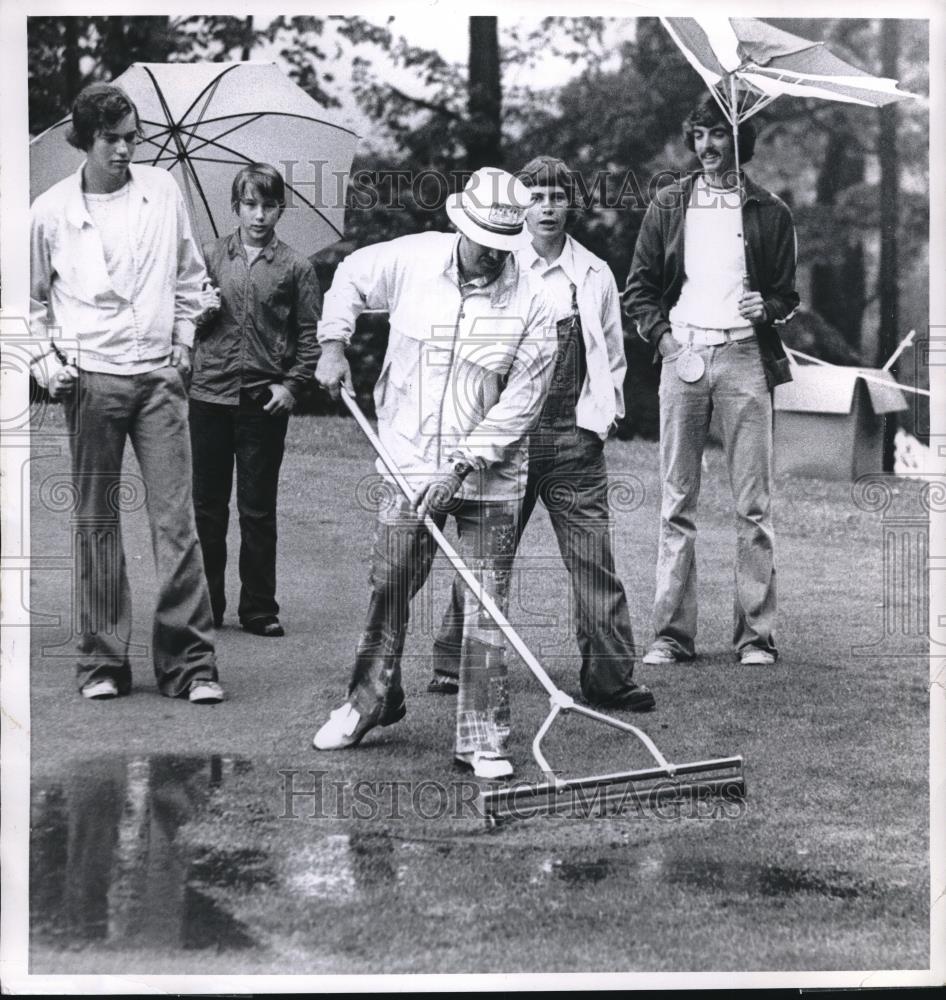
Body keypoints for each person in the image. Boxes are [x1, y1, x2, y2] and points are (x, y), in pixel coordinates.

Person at [311, 167, 559, 779]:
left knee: (484, 604)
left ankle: (481, 739)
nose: (491, 256)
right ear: (461, 224)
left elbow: (520, 404)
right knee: (389, 584)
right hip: (406, 460)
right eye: (482, 242)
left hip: (488, 478)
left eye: (503, 246)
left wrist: (461, 466)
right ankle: (368, 702)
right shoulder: (411, 260)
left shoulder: (535, 303)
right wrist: (334, 343)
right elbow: (346, 278)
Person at [429, 156, 655, 711]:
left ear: (570, 203)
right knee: (489, 555)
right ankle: (450, 660)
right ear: (520, 207)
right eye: (536, 196)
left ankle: (610, 678)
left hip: (575, 440)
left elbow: (612, 354)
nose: (548, 206)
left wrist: (604, 416)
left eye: (558, 195)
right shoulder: (501, 265)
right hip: (509, 440)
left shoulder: (595, 272)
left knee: (593, 561)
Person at [29, 82, 223, 703]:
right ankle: (103, 664)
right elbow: (24, 305)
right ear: (84, 140)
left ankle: (190, 667)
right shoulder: (51, 210)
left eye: (132, 137)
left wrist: (186, 343)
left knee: (177, 525)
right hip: (89, 381)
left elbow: (193, 276)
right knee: (96, 524)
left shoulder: (163, 191)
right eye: (112, 139)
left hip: (160, 378)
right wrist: (46, 362)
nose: (124, 149)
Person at [623, 96, 799, 667]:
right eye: (699, 135)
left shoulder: (771, 211)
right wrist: (669, 344)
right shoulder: (670, 203)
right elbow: (640, 289)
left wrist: (764, 306)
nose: (707, 147)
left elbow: (787, 297)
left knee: (753, 505)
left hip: (745, 358)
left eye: (718, 135)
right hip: (684, 355)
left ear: (738, 141)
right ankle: (672, 637)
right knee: (678, 502)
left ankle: (755, 639)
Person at [189, 163, 322, 637]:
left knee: (257, 508)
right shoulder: (207, 257)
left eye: (268, 205)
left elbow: (309, 337)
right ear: (235, 207)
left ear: (281, 208)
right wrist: (199, 313)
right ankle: (206, 602)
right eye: (250, 205)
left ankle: (259, 607)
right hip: (208, 394)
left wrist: (292, 385)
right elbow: (185, 324)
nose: (259, 215)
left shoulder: (296, 266)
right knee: (207, 506)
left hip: (262, 400)